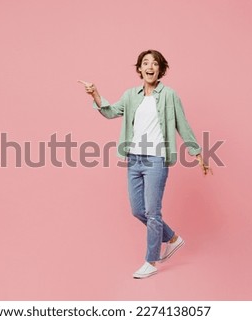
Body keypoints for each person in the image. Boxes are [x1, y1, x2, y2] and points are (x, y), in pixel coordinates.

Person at [78, 49, 213, 279]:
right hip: (134, 159)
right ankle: (172, 239)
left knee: (153, 212)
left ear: (160, 69)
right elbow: (111, 112)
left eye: (155, 63)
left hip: (156, 159)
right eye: (145, 63)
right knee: (138, 210)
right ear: (139, 69)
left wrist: (198, 153)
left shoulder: (170, 95)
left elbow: (183, 124)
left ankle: (151, 261)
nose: (150, 66)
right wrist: (96, 95)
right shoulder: (131, 95)